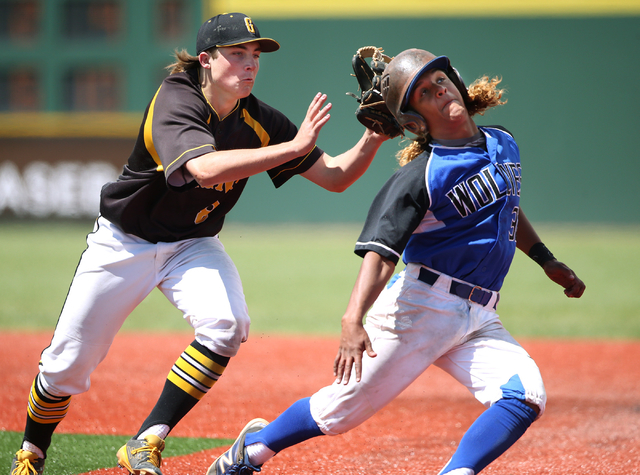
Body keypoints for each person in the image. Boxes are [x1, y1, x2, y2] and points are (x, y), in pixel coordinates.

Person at [9, 12, 390, 475]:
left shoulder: (259, 118)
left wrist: (373, 137)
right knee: (65, 366)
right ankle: (31, 452)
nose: (249, 65)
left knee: (227, 325)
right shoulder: (175, 98)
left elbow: (335, 177)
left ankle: (146, 440)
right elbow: (204, 169)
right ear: (206, 60)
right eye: (237, 54)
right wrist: (292, 148)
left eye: (254, 56)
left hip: (191, 244)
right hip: (124, 242)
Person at [207, 48, 586, 475]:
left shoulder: (502, 141)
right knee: (338, 413)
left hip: (479, 315)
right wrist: (353, 320)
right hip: (417, 310)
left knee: (525, 395)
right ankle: (254, 448)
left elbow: (507, 208)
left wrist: (545, 259)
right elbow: (380, 252)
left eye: (440, 79)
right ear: (413, 123)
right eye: (424, 92)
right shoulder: (422, 175)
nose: (439, 90)